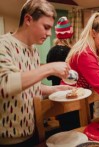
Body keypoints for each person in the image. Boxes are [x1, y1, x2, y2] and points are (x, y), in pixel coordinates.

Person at [0, 0, 73, 146]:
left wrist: (54, 89)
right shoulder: (3, 45)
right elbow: (4, 85)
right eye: (46, 27)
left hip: (31, 131)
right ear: (28, 19)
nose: (48, 34)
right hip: (7, 139)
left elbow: (28, 86)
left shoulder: (33, 50)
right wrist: (50, 68)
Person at [46, 16, 81, 131]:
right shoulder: (71, 52)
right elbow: (75, 76)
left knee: (63, 123)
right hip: (70, 92)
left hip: (56, 93)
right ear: (70, 35)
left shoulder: (51, 51)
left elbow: (49, 76)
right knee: (74, 124)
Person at [47, 16, 73, 85]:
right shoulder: (70, 51)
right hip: (67, 87)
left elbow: (49, 77)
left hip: (55, 88)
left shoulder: (51, 51)